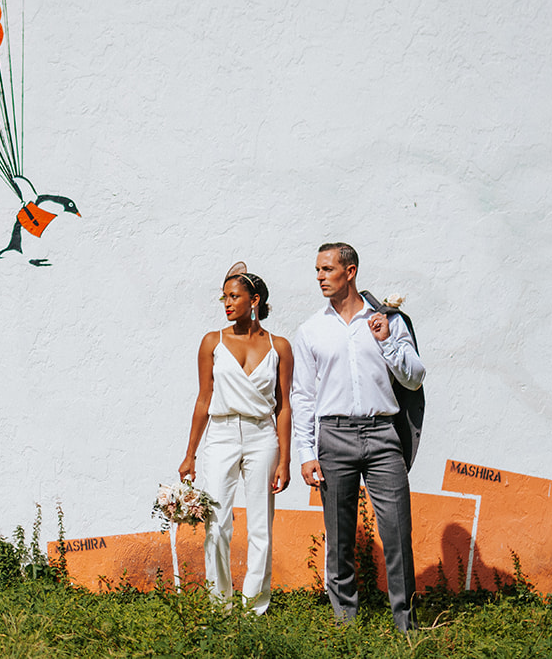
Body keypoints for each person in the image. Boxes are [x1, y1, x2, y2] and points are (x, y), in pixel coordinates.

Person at [291, 242, 426, 630]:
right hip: (333, 437)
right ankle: (346, 625)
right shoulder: (311, 330)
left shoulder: (387, 321)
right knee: (340, 539)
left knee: (398, 532)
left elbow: (414, 378)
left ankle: (407, 626)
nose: (319, 277)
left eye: (327, 269)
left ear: (350, 272)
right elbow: (303, 395)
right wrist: (306, 451)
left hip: (384, 437)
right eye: (317, 270)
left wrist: (386, 340)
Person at [178, 263, 294, 614]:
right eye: (224, 297)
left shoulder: (280, 346)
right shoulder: (212, 341)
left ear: (254, 300)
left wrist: (285, 459)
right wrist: (190, 454)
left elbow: (285, 406)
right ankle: (220, 605)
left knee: (262, 524)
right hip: (222, 434)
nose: (227, 303)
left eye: (234, 296)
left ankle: (255, 607)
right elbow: (203, 399)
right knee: (217, 523)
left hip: (262, 437)